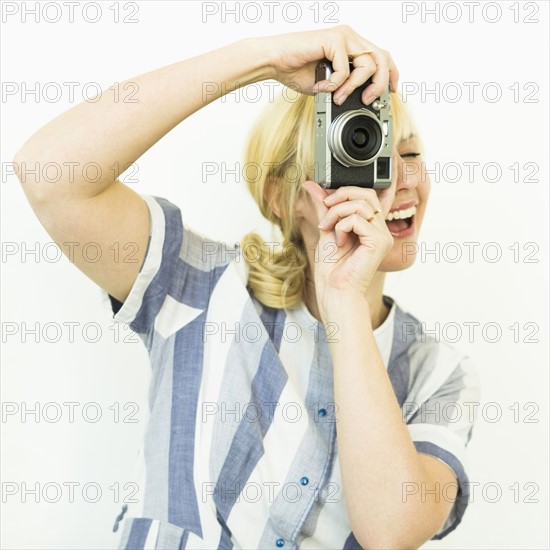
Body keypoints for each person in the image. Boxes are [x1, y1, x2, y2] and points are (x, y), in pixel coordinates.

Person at [14, 25, 480, 550]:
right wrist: (263, 59)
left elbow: (392, 531)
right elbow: (49, 174)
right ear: (282, 197)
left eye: (411, 155)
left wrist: (344, 300)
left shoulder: (437, 374)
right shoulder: (196, 285)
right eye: (363, 152)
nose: (397, 182)